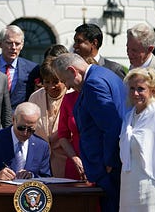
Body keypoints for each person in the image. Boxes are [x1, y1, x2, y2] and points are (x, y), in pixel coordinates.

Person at [52, 53, 126, 212]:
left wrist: (109, 162)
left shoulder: (93, 83)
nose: (69, 87)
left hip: (108, 170)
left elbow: (112, 125)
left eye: (65, 81)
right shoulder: (104, 74)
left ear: (72, 70)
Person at [119, 67, 155, 211]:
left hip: (153, 188)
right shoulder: (129, 117)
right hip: (129, 188)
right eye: (132, 88)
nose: (135, 93)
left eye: (141, 89)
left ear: (152, 90)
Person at [28, 45, 68, 178]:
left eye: (56, 81)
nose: (51, 86)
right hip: (40, 165)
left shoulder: (73, 96)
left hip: (67, 162)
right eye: (46, 82)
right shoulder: (35, 97)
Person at [0, 25, 40, 111]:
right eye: (9, 43)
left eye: (17, 44)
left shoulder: (33, 69)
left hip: (20, 120)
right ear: (0, 43)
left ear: (22, 45)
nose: (13, 47)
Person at [126, 22, 155, 116]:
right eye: (127, 48)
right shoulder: (133, 66)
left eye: (134, 50)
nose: (129, 53)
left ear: (150, 49)